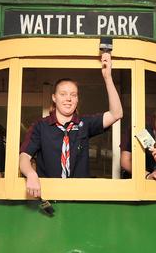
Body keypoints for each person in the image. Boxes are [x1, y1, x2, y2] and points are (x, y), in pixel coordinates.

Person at [19, 52, 123, 198]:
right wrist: (30, 174)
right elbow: (24, 157)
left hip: (79, 196)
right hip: (48, 195)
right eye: (63, 94)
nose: (68, 99)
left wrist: (108, 77)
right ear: (54, 98)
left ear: (77, 99)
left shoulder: (84, 124)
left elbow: (116, 113)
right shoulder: (40, 126)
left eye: (73, 95)